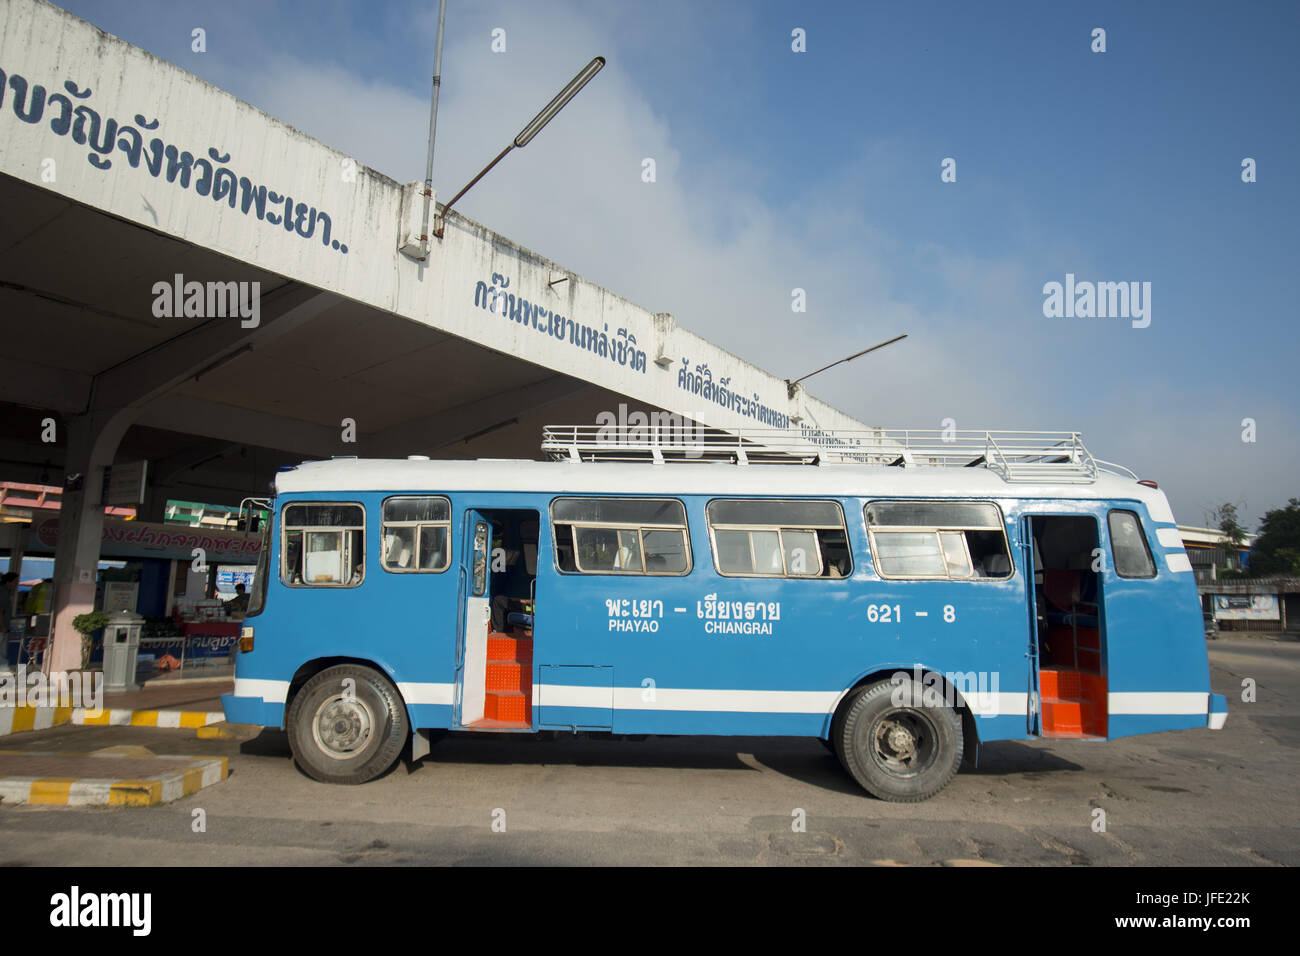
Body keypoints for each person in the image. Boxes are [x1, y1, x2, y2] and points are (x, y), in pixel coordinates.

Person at [0, 571, 16, 668]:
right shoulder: (3, 591)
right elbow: (0, 610)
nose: (15, 584)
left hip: (2, 627)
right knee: (1, 652)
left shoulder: (4, 591)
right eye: (15, 582)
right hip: (1, 628)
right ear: (8, 582)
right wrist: (2, 626)